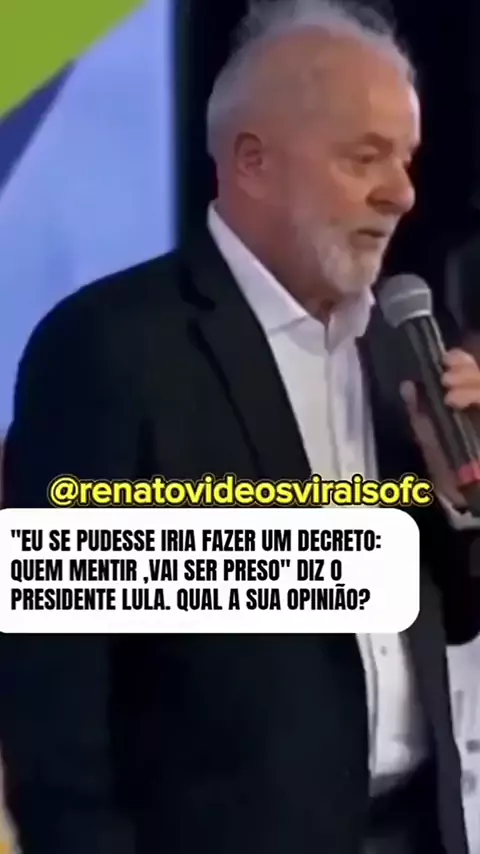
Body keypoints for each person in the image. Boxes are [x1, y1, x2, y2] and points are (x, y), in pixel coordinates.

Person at [2, 1, 480, 853]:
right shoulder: (108, 349)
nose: (402, 192)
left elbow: (447, 609)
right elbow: (54, 700)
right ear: (253, 162)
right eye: (363, 157)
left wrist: (466, 503)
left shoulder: (402, 343)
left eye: (405, 159)